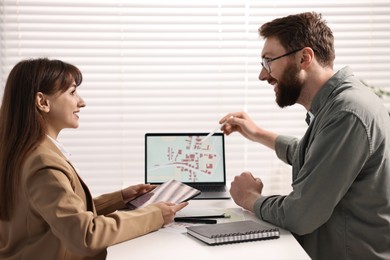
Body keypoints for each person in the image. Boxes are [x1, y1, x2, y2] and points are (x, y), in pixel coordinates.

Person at [220, 12, 390, 260]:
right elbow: (316, 156)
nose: (263, 75)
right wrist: (256, 133)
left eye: (269, 61)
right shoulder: (341, 103)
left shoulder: (347, 113)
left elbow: (300, 215)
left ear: (304, 58)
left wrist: (249, 198)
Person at [0, 58, 188, 260]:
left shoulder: (20, 152)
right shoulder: (43, 163)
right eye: (72, 92)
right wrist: (155, 214)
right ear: (42, 102)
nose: (81, 102)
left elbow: (58, 215)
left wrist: (120, 198)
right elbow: (85, 235)